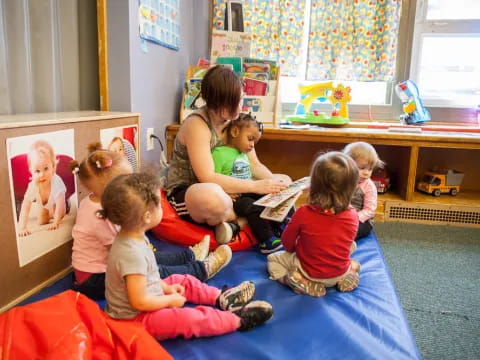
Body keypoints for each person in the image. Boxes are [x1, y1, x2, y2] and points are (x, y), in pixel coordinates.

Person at [100, 172, 274, 339]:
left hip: (147, 297)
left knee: (182, 280)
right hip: (135, 319)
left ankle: (221, 298)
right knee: (188, 319)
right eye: (160, 204)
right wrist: (168, 301)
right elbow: (140, 302)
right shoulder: (131, 254)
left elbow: (149, 277)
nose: (163, 206)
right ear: (146, 217)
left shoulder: (133, 235)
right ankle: (238, 320)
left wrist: (165, 288)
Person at [70, 143, 231, 300]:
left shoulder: (94, 201)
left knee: (147, 254)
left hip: (101, 267)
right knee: (149, 269)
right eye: (128, 181)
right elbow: (123, 257)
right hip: (95, 280)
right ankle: (199, 270)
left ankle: (188, 256)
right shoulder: (101, 216)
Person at [164, 65, 291, 244]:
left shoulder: (236, 121)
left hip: (231, 189)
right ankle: (252, 218)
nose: (240, 106)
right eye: (234, 102)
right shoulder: (197, 125)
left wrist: (275, 189)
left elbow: (254, 164)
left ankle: (240, 222)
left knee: (285, 180)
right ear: (216, 102)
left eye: (240, 99)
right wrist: (256, 187)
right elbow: (206, 177)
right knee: (213, 197)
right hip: (193, 189)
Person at [267, 152, 361, 297]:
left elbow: (287, 243)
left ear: (313, 185)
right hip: (338, 271)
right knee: (352, 245)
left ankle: (296, 281)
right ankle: (350, 271)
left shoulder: (304, 213)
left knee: (273, 260)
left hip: (309, 272)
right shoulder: (353, 215)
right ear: (352, 188)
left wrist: (296, 248)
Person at [211, 113, 288, 254]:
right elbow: (213, 180)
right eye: (250, 139)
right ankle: (267, 240)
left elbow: (256, 168)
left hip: (249, 190)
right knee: (253, 208)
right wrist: (225, 192)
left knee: (272, 199)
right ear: (234, 132)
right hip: (236, 196)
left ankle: (283, 227)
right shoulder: (219, 153)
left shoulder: (243, 153)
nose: (252, 145)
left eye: (255, 142)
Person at [17, 140, 67, 237]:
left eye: (46, 168)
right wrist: (22, 227)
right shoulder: (32, 185)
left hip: (58, 201)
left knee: (60, 213)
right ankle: (50, 210)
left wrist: (56, 222)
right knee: (41, 222)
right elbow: (26, 206)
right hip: (43, 203)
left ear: (53, 166)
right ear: (31, 171)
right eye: (37, 171)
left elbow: (60, 204)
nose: (42, 174)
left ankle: (65, 205)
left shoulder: (56, 181)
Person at [343, 141, 384, 240]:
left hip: (361, 220)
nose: (366, 173)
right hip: (343, 216)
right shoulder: (343, 179)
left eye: (370, 169)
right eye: (362, 168)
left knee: (349, 231)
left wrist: (352, 218)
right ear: (348, 165)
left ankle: (345, 244)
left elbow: (369, 210)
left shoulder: (369, 186)